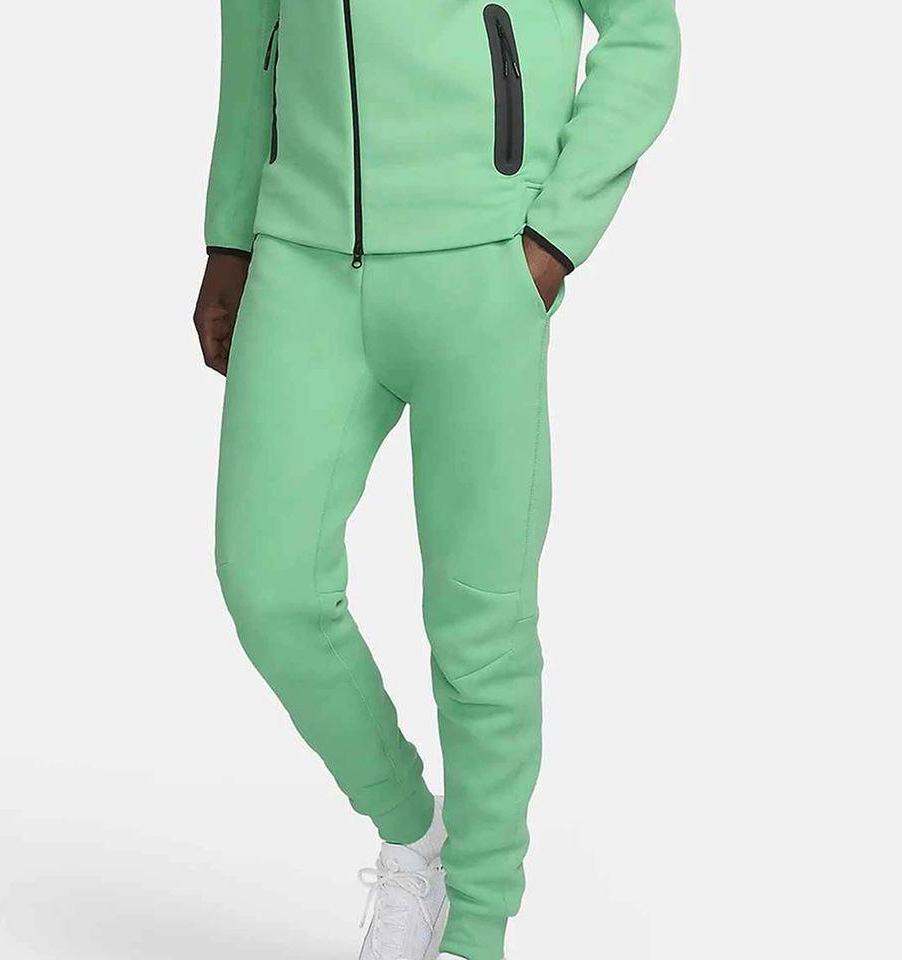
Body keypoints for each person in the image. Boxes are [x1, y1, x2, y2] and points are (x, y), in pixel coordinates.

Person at [192, 2, 680, 958]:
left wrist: (554, 236)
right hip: (302, 253)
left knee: (480, 624)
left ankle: (477, 928)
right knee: (268, 584)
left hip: (482, 257)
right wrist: (230, 236)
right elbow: (252, 32)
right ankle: (416, 841)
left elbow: (645, 35)